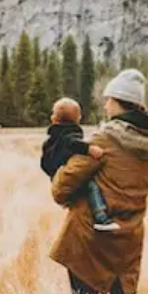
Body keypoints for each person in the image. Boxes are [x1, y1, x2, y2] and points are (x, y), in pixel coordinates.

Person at [48, 69, 148, 294]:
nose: (105, 105)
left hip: (91, 238)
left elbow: (62, 187)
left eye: (109, 100)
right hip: (128, 237)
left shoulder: (104, 140)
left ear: (119, 101)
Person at [41, 97, 120, 232]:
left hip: (56, 177)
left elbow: (44, 163)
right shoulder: (69, 135)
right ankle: (101, 217)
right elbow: (72, 143)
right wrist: (89, 149)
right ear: (78, 119)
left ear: (53, 119)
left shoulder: (51, 140)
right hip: (62, 175)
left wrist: (53, 173)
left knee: (78, 194)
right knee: (91, 187)